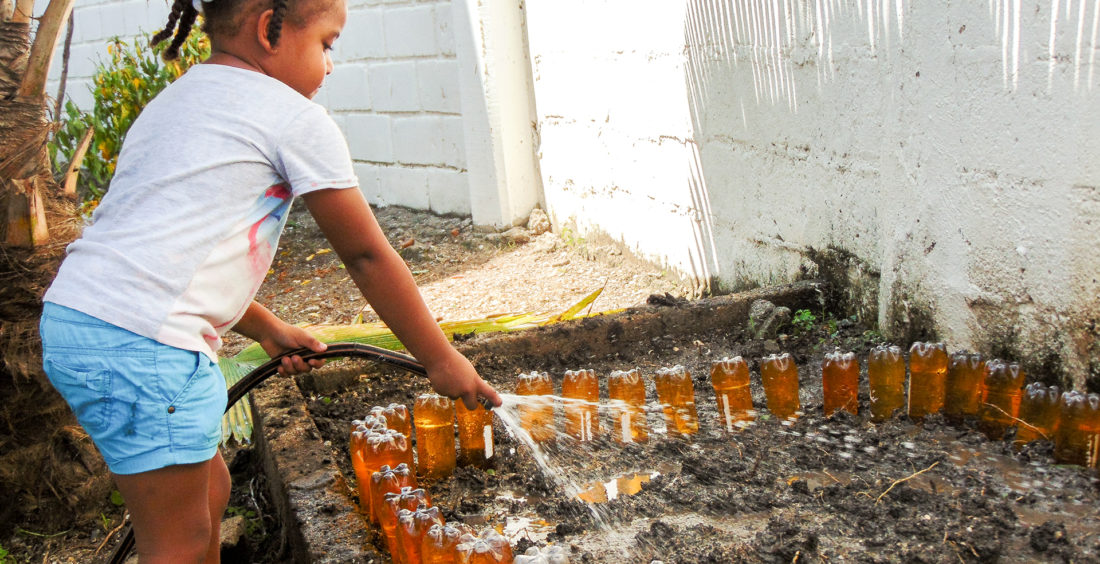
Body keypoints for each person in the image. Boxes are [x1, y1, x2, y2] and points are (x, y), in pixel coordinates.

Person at [38, 0, 502, 560]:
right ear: (269, 28)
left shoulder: (176, 101)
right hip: (146, 350)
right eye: (327, 45)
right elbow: (366, 256)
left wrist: (267, 328)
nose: (330, 66)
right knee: (177, 541)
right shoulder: (293, 117)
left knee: (210, 489)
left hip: (81, 319)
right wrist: (440, 359)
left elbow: (160, 257)